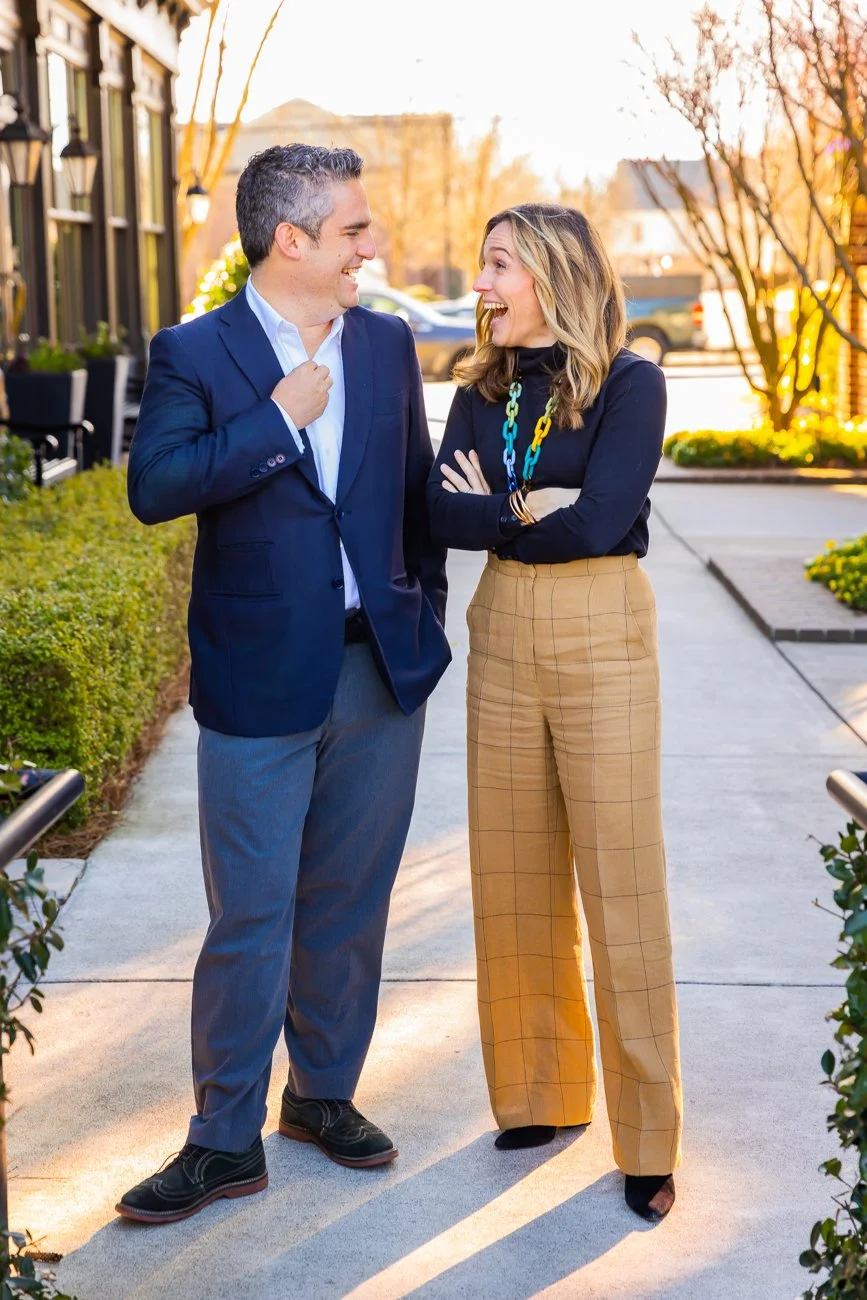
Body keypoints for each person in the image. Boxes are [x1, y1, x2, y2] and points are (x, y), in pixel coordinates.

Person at [119, 144, 450, 1223]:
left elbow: (411, 500)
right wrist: (277, 420)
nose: (376, 246)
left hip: (378, 672)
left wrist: (419, 617)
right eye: (356, 230)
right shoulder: (195, 351)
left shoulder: (392, 344)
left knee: (349, 906)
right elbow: (157, 486)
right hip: (258, 678)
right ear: (292, 239)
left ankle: (322, 1095)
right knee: (249, 917)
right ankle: (222, 1139)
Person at [427, 204, 682, 1223]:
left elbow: (604, 518)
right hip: (504, 633)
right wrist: (517, 511)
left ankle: (650, 1138)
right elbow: (439, 515)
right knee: (515, 870)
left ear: (551, 272)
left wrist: (509, 509)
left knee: (621, 881)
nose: (480, 282)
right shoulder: (478, 390)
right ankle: (543, 1090)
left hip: (603, 629)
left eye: (497, 263)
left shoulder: (630, 383)